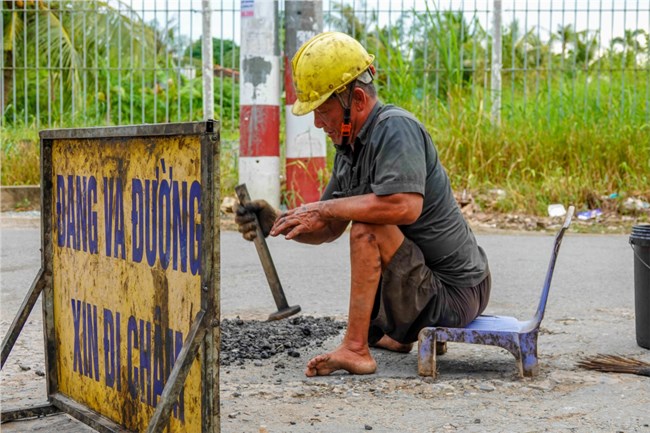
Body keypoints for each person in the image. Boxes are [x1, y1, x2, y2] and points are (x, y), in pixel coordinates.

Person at [234, 32, 490, 377]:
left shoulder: (395, 128)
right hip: (425, 288)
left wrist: (325, 209)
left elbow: (404, 207)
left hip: (456, 295)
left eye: (322, 110)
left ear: (355, 99)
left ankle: (356, 349)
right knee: (360, 219)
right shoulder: (350, 148)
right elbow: (327, 227)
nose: (317, 122)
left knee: (369, 226)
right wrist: (276, 221)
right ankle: (398, 335)